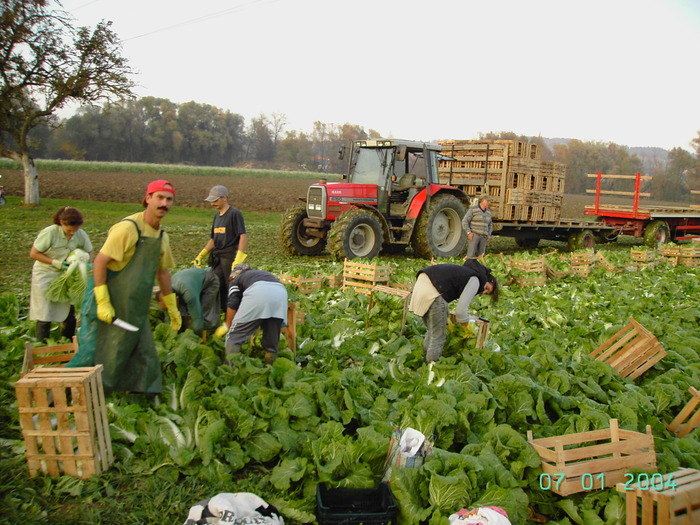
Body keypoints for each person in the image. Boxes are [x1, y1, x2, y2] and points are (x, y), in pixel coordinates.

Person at [67, 180, 181, 394]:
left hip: (132, 307)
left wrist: (171, 304)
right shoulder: (129, 228)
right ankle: (55, 397)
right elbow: (100, 262)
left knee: (144, 354)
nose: (164, 203)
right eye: (159, 197)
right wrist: (102, 301)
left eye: (169, 199)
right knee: (92, 354)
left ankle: (137, 400)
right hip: (106, 301)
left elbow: (163, 272)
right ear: (148, 198)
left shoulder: (161, 236)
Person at [408, 259, 498, 363]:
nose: (483, 291)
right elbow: (460, 311)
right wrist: (466, 327)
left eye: (486, 293)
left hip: (421, 284)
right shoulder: (476, 280)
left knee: (432, 331)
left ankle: (424, 361)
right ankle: (431, 367)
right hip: (433, 291)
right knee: (438, 337)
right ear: (487, 280)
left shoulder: (466, 272)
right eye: (486, 288)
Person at [29, 206, 93, 342]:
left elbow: (89, 251)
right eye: (69, 230)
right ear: (61, 223)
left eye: (74, 231)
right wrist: (55, 263)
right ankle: (41, 345)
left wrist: (86, 264)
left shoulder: (80, 234)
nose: (71, 234)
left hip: (66, 274)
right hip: (46, 273)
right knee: (45, 310)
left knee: (68, 309)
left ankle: (67, 342)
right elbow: (34, 253)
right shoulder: (50, 233)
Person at [214, 264, 288, 365]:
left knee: (234, 336)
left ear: (235, 273)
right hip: (281, 293)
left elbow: (232, 303)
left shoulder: (236, 280)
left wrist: (228, 324)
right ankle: (270, 365)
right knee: (272, 336)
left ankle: (229, 369)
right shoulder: (260, 274)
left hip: (258, 292)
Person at [192, 185, 248, 311]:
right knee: (215, 283)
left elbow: (243, 236)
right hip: (217, 257)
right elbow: (213, 239)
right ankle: (223, 310)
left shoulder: (234, 214)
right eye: (211, 201)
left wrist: (239, 258)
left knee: (231, 286)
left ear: (225, 198)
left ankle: (235, 314)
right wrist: (202, 254)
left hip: (230, 257)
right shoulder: (217, 217)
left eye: (215, 200)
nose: (212, 204)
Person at [164, 267, 220, 338]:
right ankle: (185, 330)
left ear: (177, 298)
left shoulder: (188, 294)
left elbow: (197, 318)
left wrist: (197, 338)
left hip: (209, 280)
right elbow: (170, 315)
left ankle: (210, 335)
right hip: (191, 281)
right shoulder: (167, 292)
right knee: (183, 312)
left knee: (203, 312)